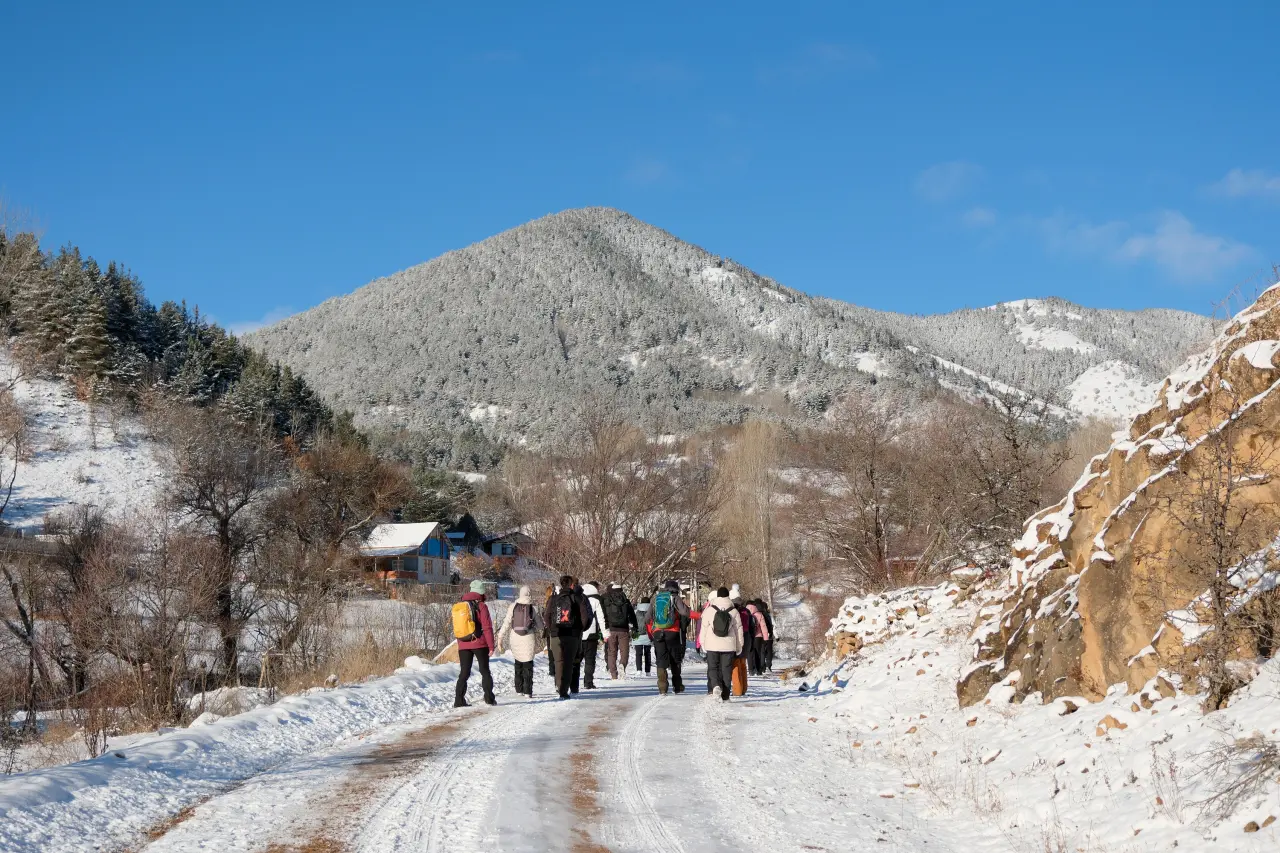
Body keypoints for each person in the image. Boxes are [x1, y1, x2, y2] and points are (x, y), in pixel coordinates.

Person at [545, 575, 592, 699]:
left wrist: (552, 629)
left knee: (558, 662)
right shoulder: (577, 598)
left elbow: (547, 616)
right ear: (571, 585)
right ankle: (564, 691)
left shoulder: (553, 599)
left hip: (556, 634)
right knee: (568, 663)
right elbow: (585, 617)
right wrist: (580, 629)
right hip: (572, 635)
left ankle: (559, 686)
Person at [453, 580, 496, 707]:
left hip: (463, 643)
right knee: (485, 671)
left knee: (464, 673)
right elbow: (487, 627)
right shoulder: (481, 606)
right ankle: (489, 698)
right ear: (481, 592)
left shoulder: (460, 605)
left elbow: (458, 627)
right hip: (479, 643)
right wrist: (491, 646)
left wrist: (461, 642)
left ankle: (458, 700)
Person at [496, 585, 544, 698]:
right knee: (528, 664)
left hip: (515, 637)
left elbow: (506, 623)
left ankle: (519, 689)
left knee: (518, 663)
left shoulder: (513, 606)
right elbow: (540, 626)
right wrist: (535, 627)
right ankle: (528, 691)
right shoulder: (532, 608)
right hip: (528, 638)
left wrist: (500, 636)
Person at [646, 579, 690, 695]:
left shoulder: (656, 598)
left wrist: (653, 628)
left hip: (658, 633)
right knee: (675, 659)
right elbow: (685, 612)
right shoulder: (675, 598)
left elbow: (647, 618)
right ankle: (677, 686)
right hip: (673, 633)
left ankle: (662, 688)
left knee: (661, 659)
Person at [699, 586, 743, 701]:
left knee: (713, 667)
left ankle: (715, 686)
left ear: (717, 596)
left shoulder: (709, 610)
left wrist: (702, 643)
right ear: (728, 596)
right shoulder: (734, 611)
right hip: (728, 646)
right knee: (726, 670)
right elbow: (739, 630)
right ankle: (726, 695)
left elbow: (703, 628)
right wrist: (739, 646)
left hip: (712, 645)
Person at [601, 582, 638, 679]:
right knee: (624, 651)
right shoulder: (625, 600)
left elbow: (603, 615)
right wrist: (635, 627)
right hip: (624, 629)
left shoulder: (606, 601)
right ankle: (622, 664)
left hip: (611, 629)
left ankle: (613, 674)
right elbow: (632, 615)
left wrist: (603, 628)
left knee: (611, 652)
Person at [576, 582, 608, 690]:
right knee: (590, 660)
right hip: (591, 633)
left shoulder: (576, 599)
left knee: (576, 659)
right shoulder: (596, 601)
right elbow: (601, 619)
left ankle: (573, 683)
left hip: (578, 634)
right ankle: (588, 682)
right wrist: (605, 634)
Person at [729, 585, 751, 696]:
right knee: (743, 665)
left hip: (737, 639)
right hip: (747, 639)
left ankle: (737, 690)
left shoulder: (732, 611)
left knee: (735, 665)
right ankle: (744, 687)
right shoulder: (746, 611)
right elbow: (752, 627)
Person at [746, 599, 770, 676]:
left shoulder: (745, 613)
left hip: (748, 636)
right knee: (758, 653)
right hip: (758, 636)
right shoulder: (759, 614)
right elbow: (763, 627)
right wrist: (766, 638)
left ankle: (751, 670)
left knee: (749, 653)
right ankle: (758, 670)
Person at [632, 596, 653, 675]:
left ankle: (639, 670)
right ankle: (648, 671)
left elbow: (632, 622)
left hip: (637, 635)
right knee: (647, 653)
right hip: (648, 634)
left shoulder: (636, 611)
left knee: (638, 653)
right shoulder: (652, 610)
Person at [543, 583, 557, 678]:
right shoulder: (554, 601)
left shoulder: (547, 602)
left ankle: (551, 669)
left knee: (550, 649)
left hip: (548, 629)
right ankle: (554, 669)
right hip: (554, 628)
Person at [759, 599, 776, 672]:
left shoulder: (758, 614)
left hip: (761, 636)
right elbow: (774, 626)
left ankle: (762, 667)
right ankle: (768, 666)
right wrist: (775, 635)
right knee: (769, 651)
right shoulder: (769, 615)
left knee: (762, 651)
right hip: (769, 636)